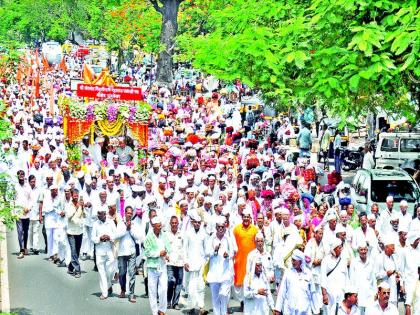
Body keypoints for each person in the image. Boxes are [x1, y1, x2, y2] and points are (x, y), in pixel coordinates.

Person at [205, 216, 235, 315]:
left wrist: (228, 255)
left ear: (225, 227)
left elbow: (233, 252)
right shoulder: (211, 238)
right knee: (215, 299)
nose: (221, 229)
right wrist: (215, 251)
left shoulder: (228, 239)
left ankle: (224, 312)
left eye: (223, 227)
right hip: (214, 272)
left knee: (223, 294)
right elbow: (206, 252)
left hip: (226, 272)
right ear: (216, 228)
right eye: (219, 227)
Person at [143, 216, 170, 315]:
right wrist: (159, 253)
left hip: (162, 265)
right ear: (153, 226)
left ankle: (162, 310)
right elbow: (147, 252)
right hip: (152, 267)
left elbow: (168, 248)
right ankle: (154, 312)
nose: (160, 228)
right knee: (152, 291)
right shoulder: (148, 238)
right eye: (158, 226)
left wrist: (167, 255)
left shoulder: (164, 235)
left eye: (160, 226)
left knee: (163, 289)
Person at [275, 249, 315, 315]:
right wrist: (278, 309)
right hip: (290, 311)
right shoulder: (288, 273)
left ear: (300, 261)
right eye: (292, 260)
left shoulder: (308, 274)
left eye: (294, 260)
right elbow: (282, 292)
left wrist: (316, 311)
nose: (292, 262)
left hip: (305, 311)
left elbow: (313, 293)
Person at [114, 206, 142, 303]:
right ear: (125, 213)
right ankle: (122, 290)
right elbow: (116, 236)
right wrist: (126, 229)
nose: (129, 215)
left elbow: (139, 237)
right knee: (122, 273)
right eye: (128, 213)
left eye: (131, 213)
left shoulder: (135, 224)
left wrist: (131, 229)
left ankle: (131, 294)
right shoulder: (120, 224)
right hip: (121, 252)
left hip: (132, 252)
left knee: (132, 273)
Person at [233, 208, 259, 309]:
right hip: (239, 259)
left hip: (252, 259)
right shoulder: (236, 229)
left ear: (250, 218)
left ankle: (248, 301)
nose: (246, 218)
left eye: (248, 217)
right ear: (242, 218)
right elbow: (232, 243)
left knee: (250, 279)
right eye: (244, 217)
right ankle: (242, 300)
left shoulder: (255, 229)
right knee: (239, 282)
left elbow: (259, 243)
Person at [183, 214, 207, 315]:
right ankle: (192, 307)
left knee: (201, 286)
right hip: (191, 262)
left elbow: (206, 249)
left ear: (200, 223)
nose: (197, 224)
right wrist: (185, 261)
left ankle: (201, 307)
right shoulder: (188, 233)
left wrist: (206, 262)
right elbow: (184, 249)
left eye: (199, 222)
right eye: (195, 222)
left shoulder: (204, 234)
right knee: (192, 286)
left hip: (202, 263)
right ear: (192, 223)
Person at [92, 207, 117, 300]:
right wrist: (100, 238)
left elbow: (116, 235)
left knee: (109, 271)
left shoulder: (110, 223)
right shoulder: (95, 224)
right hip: (99, 251)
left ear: (105, 213)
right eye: (98, 213)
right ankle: (104, 293)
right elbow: (93, 238)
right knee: (102, 273)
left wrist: (109, 237)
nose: (98, 215)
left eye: (100, 213)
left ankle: (109, 284)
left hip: (110, 250)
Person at [320, 238, 349, 315]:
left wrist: (347, 293)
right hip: (330, 293)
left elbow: (347, 277)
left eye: (341, 247)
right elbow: (323, 277)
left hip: (341, 293)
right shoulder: (326, 260)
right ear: (334, 248)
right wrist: (324, 294)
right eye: (339, 248)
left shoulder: (343, 260)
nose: (341, 249)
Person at [65, 188, 85, 278]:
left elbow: (84, 216)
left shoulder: (81, 204)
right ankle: (77, 270)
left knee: (76, 251)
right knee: (73, 251)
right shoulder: (68, 204)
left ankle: (70, 267)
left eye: (77, 196)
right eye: (74, 196)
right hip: (71, 232)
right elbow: (68, 215)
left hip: (79, 231)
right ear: (71, 196)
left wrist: (83, 207)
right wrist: (76, 208)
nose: (76, 197)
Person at [166, 215, 184, 310]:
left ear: (178, 223)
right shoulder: (166, 234)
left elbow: (185, 248)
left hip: (180, 262)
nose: (174, 224)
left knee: (179, 283)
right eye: (172, 223)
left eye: (175, 223)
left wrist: (185, 261)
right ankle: (168, 301)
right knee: (170, 281)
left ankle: (175, 303)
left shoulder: (182, 234)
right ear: (170, 224)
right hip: (169, 262)